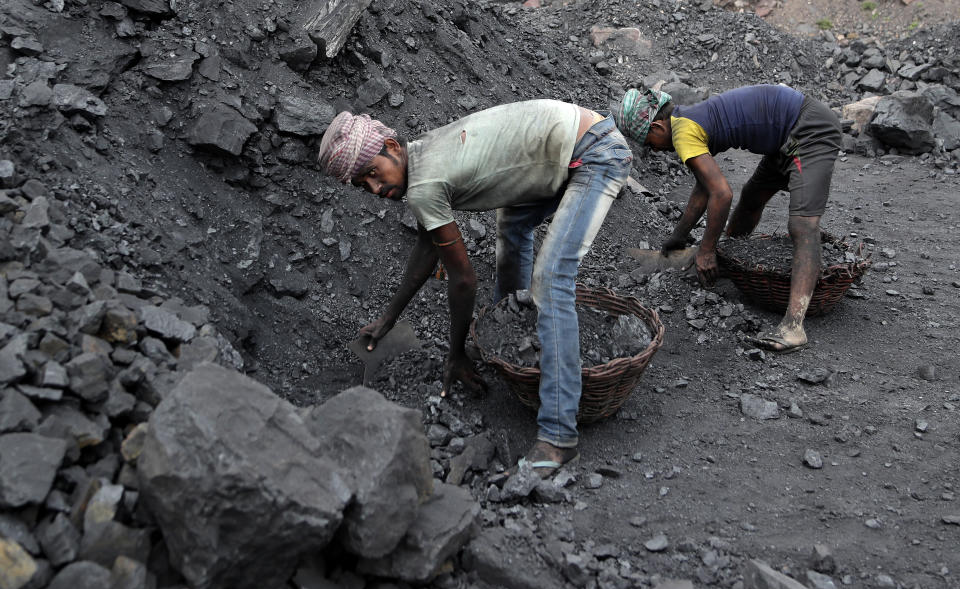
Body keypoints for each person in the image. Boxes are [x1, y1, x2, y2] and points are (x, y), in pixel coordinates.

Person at [317, 100, 632, 477]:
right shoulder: (421, 158)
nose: (374, 186)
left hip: (594, 153)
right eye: (362, 184)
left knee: (550, 280)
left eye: (372, 172)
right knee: (513, 227)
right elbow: (426, 248)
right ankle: (512, 344)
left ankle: (558, 437)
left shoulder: (424, 183)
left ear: (393, 148)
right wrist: (387, 319)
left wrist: (457, 354)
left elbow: (464, 280)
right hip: (567, 146)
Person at [615, 84, 842, 353]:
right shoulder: (689, 119)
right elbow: (704, 186)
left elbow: (721, 194)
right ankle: (730, 262)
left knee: (803, 225)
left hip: (808, 129)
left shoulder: (683, 131)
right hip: (785, 137)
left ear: (657, 128)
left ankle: (793, 327)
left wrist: (707, 250)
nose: (655, 151)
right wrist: (678, 235)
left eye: (650, 145)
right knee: (752, 197)